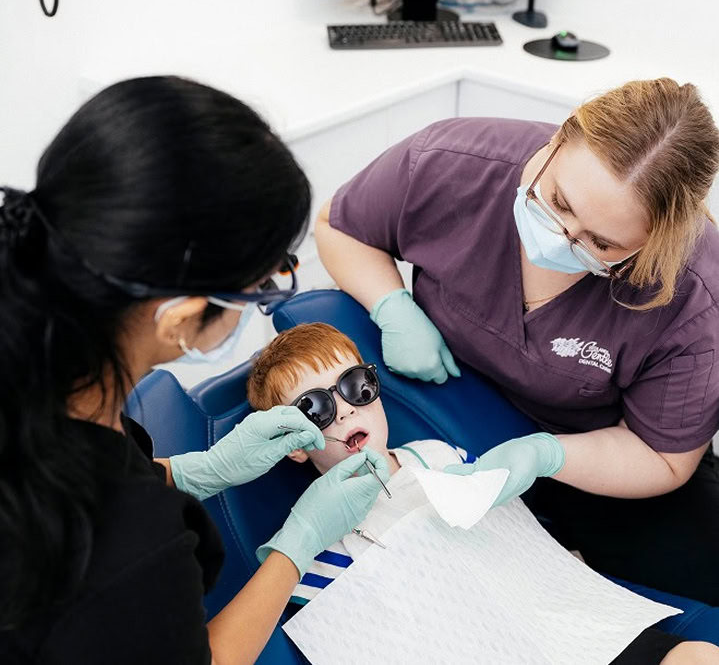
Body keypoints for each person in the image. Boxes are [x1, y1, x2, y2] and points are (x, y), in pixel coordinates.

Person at [0, 76, 389, 664]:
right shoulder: (134, 552)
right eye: (262, 285)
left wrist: (194, 473)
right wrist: (296, 546)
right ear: (180, 319)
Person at [314, 78, 719, 606]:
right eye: (557, 202)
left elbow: (663, 458)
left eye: (601, 244)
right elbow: (340, 225)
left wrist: (546, 455)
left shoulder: (693, 296)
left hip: (593, 459)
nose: (561, 238)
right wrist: (391, 305)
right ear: (556, 142)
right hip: (443, 403)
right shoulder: (452, 162)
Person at [246, 321, 719, 664]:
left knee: (699, 656)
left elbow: (512, 534)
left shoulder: (436, 454)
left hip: (556, 626)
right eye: (314, 409)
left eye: (354, 386)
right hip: (473, 647)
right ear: (292, 446)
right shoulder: (315, 540)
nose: (346, 411)